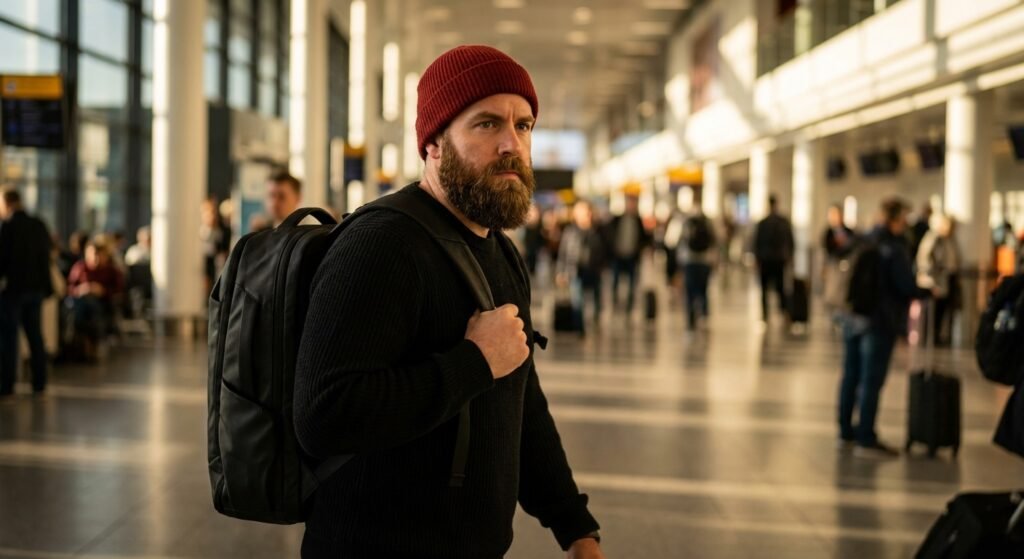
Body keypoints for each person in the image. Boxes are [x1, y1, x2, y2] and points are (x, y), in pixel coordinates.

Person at [293, 45, 602, 559]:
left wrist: (575, 526)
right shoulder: (383, 243)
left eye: (523, 125)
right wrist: (474, 362)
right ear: (433, 143)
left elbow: (520, 400)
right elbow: (324, 415)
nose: (512, 144)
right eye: (486, 124)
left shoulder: (499, 250)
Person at [838, 198, 924, 458]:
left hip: (852, 316)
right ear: (896, 219)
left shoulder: (863, 239)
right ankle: (866, 436)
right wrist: (928, 291)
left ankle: (845, 433)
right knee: (871, 379)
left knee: (850, 376)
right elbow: (905, 285)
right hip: (879, 321)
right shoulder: (895, 248)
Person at [0, 188, 54, 398]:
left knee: (9, 338)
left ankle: (7, 385)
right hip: (36, 290)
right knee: (35, 336)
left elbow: (2, 260)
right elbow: (45, 258)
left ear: (7, 203)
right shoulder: (38, 225)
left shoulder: (8, 227)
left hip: (14, 290)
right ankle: (39, 382)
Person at [67, 242, 124, 359]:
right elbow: (69, 288)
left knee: (92, 307)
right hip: (80, 302)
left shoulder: (111, 270)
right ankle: (82, 343)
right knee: (82, 305)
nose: (95, 258)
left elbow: (119, 291)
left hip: (104, 304)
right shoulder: (80, 268)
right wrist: (81, 289)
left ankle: (91, 343)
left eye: (99, 254)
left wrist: (102, 291)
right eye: (92, 254)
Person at [557, 200, 608, 331]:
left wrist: (602, 265)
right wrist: (560, 271)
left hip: (593, 270)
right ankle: (580, 328)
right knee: (577, 301)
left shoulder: (598, 230)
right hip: (575, 270)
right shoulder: (570, 232)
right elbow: (563, 253)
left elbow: (605, 250)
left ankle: (596, 323)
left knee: (597, 300)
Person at [916, 214, 961, 346]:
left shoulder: (950, 239)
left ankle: (938, 335)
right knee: (933, 311)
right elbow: (925, 259)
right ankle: (929, 337)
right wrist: (933, 276)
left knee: (943, 310)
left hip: (947, 279)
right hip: (935, 280)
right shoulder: (934, 237)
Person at [753, 195, 795, 323]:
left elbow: (756, 242)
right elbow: (790, 241)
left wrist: (757, 259)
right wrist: (790, 256)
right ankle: (782, 312)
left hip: (767, 260)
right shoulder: (782, 222)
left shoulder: (763, 223)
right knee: (779, 288)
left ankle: (767, 314)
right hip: (778, 260)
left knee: (766, 289)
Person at [607, 195, 650, 313]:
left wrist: (640, 248)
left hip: (632, 257)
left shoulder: (638, 220)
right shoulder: (617, 220)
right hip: (618, 256)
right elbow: (609, 236)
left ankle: (629, 307)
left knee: (632, 283)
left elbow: (644, 238)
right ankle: (615, 303)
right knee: (616, 281)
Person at [677, 208, 717, 331]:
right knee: (703, 289)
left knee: (690, 290)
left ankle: (690, 318)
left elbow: (680, 241)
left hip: (690, 260)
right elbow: (714, 241)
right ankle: (704, 316)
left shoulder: (687, 223)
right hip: (704, 261)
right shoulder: (707, 223)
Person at [822, 204, 856, 313]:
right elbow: (827, 249)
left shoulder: (849, 231)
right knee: (832, 291)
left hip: (846, 265)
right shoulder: (828, 233)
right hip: (833, 265)